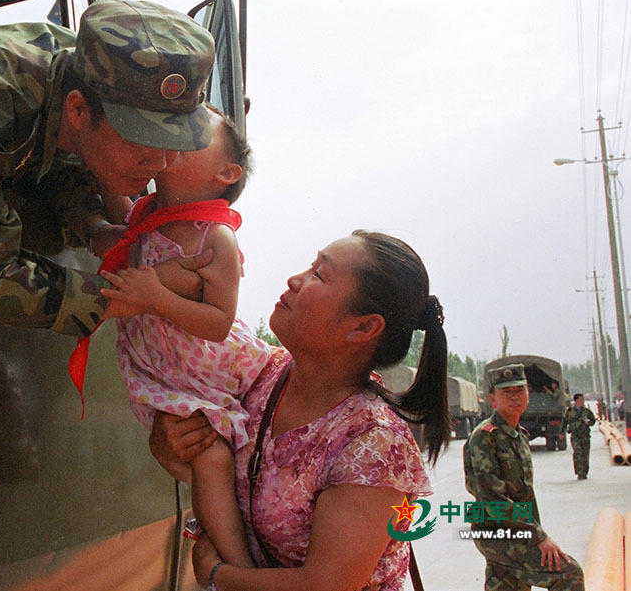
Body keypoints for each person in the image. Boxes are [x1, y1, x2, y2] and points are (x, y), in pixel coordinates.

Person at [0, 0, 216, 337]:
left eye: (174, 141)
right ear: (77, 110)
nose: (161, 163)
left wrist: (95, 229)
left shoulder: (91, 70)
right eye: (141, 137)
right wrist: (146, 295)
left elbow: (61, 157)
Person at [148, 231, 451, 590]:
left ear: (363, 326)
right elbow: (197, 457)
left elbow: (323, 586)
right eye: (311, 265)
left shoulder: (374, 446)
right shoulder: (258, 373)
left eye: (319, 275)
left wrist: (217, 575)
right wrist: (168, 444)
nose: (295, 279)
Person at [98, 109, 270, 568]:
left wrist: (155, 297)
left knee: (210, 459)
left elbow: (217, 322)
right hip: (162, 369)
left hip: (204, 374)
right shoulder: (145, 215)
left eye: (194, 133)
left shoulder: (214, 237)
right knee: (206, 459)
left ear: (225, 173)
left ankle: (239, 569)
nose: (175, 135)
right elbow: (115, 211)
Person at [464, 364, 584, 591]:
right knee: (569, 574)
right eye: (507, 393)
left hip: (516, 529)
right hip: (496, 532)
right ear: (493, 400)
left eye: (520, 391)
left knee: (508, 586)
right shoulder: (484, 437)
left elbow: (525, 496)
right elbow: (493, 501)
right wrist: (538, 537)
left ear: (528, 395)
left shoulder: (519, 436)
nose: (515, 397)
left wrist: (534, 530)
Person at [564, 393, 596, 480]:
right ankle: (580, 472)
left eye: (583, 400)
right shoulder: (570, 411)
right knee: (578, 452)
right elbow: (565, 421)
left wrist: (589, 422)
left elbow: (593, 420)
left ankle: (585, 472)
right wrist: (561, 433)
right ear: (576, 400)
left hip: (585, 436)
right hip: (575, 436)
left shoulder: (586, 411)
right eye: (581, 400)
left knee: (585, 454)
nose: (583, 401)